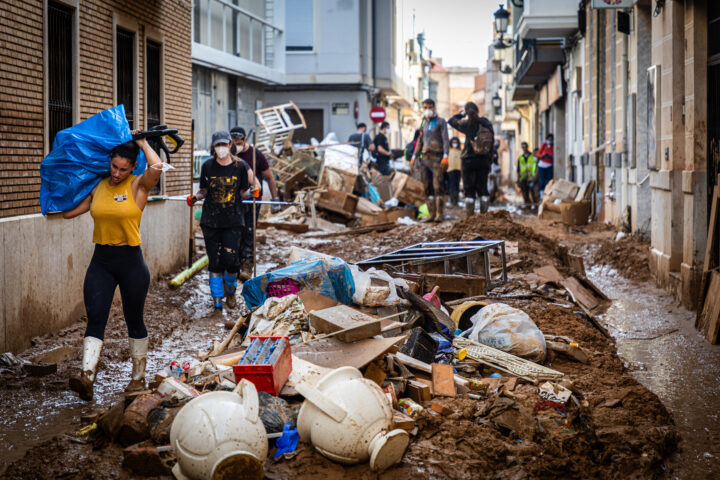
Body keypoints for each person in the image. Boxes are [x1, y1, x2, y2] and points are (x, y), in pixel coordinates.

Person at [63, 133, 163, 401]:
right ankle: (87, 376)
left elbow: (156, 167)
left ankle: (138, 378)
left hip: (131, 262)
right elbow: (69, 211)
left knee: (134, 319)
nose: (117, 173)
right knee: (95, 317)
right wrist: (56, 197)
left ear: (132, 167)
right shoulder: (99, 186)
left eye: (123, 168)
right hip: (101, 262)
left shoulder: (137, 186)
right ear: (109, 162)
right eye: (113, 166)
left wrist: (142, 143)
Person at [187, 131, 258, 311]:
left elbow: (243, 193)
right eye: (217, 145)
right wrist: (195, 198)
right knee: (215, 261)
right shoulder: (208, 166)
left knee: (232, 259)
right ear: (214, 147)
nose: (221, 148)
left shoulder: (240, 166)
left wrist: (252, 192)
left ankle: (231, 291)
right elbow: (203, 191)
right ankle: (217, 299)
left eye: (223, 145)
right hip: (211, 220)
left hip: (233, 220)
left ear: (229, 145)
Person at [230, 126, 279, 269]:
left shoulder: (255, 155)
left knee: (249, 230)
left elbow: (269, 177)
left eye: (238, 143)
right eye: (233, 143)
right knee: (235, 230)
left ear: (245, 140)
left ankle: (247, 264)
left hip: (252, 199)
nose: (236, 146)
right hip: (234, 198)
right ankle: (234, 264)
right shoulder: (228, 155)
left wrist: (275, 200)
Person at [448, 101, 494, 216]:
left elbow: (451, 121)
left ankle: (470, 218)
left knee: (469, 190)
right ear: (477, 110)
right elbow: (491, 143)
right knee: (483, 189)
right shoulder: (486, 123)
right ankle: (484, 216)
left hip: (469, 160)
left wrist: (461, 114)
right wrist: (489, 161)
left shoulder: (467, 124)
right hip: (484, 161)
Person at [412, 98, 449, 222]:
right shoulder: (423, 123)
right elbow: (420, 141)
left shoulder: (441, 122)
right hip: (425, 158)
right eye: (425, 108)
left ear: (434, 108)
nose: (427, 110)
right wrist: (414, 156)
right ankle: (431, 214)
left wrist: (446, 156)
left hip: (437, 157)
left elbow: (445, 139)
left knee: (437, 185)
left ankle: (439, 214)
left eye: (429, 107)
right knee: (427, 186)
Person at [447, 137, 462, 206]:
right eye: (453, 142)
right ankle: (451, 199)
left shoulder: (460, 151)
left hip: (458, 170)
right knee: (451, 185)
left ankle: (456, 199)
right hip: (450, 170)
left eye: (456, 142)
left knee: (457, 185)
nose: (454, 144)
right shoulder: (448, 150)